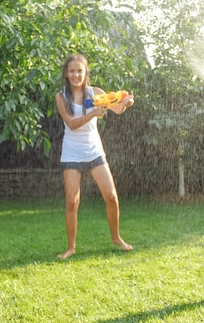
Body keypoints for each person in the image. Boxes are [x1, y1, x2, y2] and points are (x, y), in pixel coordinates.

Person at [55, 53, 134, 259]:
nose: (76, 75)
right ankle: (71, 247)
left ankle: (116, 237)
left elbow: (116, 109)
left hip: (94, 151)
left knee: (112, 197)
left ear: (85, 72)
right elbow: (71, 124)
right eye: (72, 71)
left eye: (79, 71)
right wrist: (92, 114)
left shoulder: (96, 93)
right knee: (72, 202)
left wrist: (125, 102)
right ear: (66, 73)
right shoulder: (61, 96)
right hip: (72, 152)